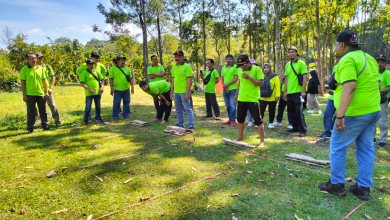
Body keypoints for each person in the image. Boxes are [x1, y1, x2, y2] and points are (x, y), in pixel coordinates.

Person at [318, 30, 381, 201]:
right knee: (366, 148)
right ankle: (363, 187)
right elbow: (373, 83)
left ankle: (337, 184)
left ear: (342, 45)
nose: (335, 48)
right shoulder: (370, 59)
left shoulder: (347, 59)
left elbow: (351, 87)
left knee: (337, 146)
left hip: (355, 112)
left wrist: (340, 116)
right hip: (372, 110)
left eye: (336, 44)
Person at [233, 55, 265, 147]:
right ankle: (240, 136)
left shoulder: (256, 69)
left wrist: (249, 78)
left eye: (243, 65)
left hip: (253, 98)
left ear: (248, 63)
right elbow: (240, 83)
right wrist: (236, 94)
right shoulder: (239, 70)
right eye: (240, 66)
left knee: (258, 120)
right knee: (240, 119)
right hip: (242, 98)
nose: (242, 68)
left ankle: (262, 141)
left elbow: (261, 83)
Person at [21, 52, 50, 133]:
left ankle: (45, 126)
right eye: (32, 58)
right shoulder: (24, 70)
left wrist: (46, 92)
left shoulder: (41, 69)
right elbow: (23, 83)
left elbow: (45, 81)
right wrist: (24, 95)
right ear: (27, 59)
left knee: (43, 111)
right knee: (31, 112)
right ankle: (30, 128)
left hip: (40, 93)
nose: (34, 60)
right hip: (30, 94)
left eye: (35, 58)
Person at [283, 46, 308, 137]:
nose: (291, 54)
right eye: (289, 52)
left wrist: (303, 91)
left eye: (293, 52)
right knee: (291, 111)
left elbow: (305, 78)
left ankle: (302, 129)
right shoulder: (287, 65)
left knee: (299, 111)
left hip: (298, 92)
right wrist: (285, 92)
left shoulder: (301, 63)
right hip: (290, 92)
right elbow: (286, 79)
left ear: (297, 53)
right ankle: (295, 127)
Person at [316, 54, 341, 139]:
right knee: (327, 114)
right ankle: (327, 132)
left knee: (344, 116)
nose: (337, 59)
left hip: (344, 96)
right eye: (337, 57)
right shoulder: (335, 67)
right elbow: (333, 81)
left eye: (339, 57)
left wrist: (335, 84)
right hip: (333, 97)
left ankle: (343, 135)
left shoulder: (348, 67)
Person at [34, 52, 62, 127]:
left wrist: (51, 88)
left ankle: (57, 121)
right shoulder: (34, 68)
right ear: (35, 59)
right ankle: (43, 122)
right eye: (39, 58)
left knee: (52, 106)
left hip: (48, 91)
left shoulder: (47, 67)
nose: (41, 59)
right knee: (42, 108)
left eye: (42, 57)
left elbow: (53, 77)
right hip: (39, 91)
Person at [170, 50, 194, 130]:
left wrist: (187, 93)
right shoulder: (174, 67)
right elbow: (173, 81)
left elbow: (189, 81)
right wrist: (171, 92)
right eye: (176, 56)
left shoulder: (186, 66)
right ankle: (180, 124)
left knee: (187, 108)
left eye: (179, 56)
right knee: (178, 109)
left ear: (182, 57)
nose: (177, 58)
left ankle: (191, 125)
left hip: (184, 92)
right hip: (176, 92)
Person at [80, 59, 105, 125]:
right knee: (88, 107)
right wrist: (89, 89)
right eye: (90, 64)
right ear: (87, 65)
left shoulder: (97, 72)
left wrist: (102, 87)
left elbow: (102, 80)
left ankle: (98, 118)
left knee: (98, 106)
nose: (92, 65)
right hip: (89, 93)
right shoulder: (84, 73)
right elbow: (82, 83)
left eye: (93, 64)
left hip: (97, 92)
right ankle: (86, 120)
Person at [109, 55, 134, 122]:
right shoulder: (113, 69)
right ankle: (115, 116)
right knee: (116, 103)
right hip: (117, 89)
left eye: (124, 60)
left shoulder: (127, 69)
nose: (123, 62)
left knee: (126, 102)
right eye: (121, 60)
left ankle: (126, 115)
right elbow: (111, 79)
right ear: (117, 61)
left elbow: (131, 78)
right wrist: (111, 88)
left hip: (126, 89)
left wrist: (132, 87)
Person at [375, 54, 390, 148]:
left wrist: (379, 91)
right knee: (371, 120)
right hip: (372, 99)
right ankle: (371, 138)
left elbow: (389, 87)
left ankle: (382, 140)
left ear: (385, 63)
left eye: (382, 62)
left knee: (382, 120)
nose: (380, 64)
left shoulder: (387, 74)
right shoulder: (373, 72)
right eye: (378, 62)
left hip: (382, 100)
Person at [259, 63, 280, 128]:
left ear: (270, 68)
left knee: (271, 110)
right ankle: (259, 122)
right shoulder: (260, 75)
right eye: (264, 68)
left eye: (267, 67)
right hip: (262, 97)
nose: (266, 69)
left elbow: (277, 86)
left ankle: (271, 123)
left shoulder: (274, 76)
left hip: (272, 97)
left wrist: (277, 95)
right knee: (261, 109)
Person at [221, 54, 239, 126]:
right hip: (225, 89)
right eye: (227, 59)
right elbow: (222, 78)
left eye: (230, 59)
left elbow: (236, 78)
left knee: (233, 105)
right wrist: (225, 87)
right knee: (227, 105)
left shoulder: (236, 67)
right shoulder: (223, 68)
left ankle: (233, 120)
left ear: (233, 60)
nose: (228, 60)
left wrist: (227, 86)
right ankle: (230, 119)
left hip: (233, 89)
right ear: (225, 60)